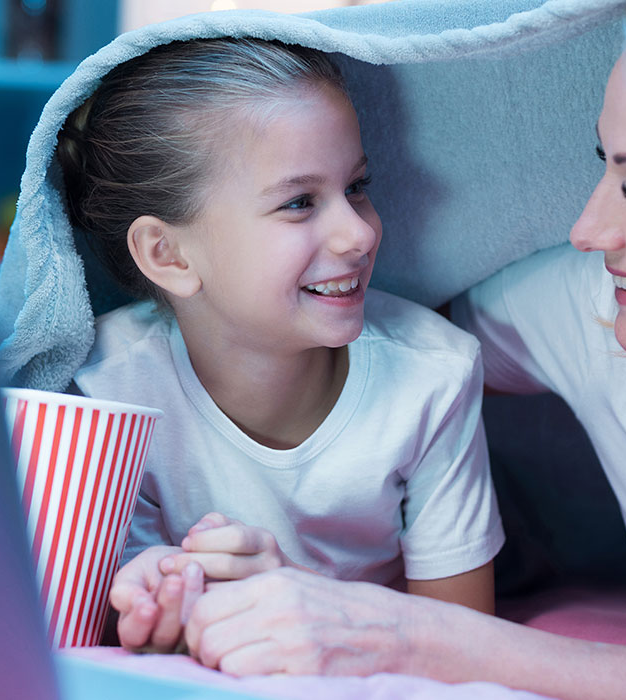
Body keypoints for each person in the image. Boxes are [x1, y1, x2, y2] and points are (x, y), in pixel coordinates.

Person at [176, 1, 626, 696]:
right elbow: (380, 366)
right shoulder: (597, 305)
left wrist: (408, 635)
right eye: (603, 167)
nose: (588, 230)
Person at [54, 38, 506, 653]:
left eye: (357, 187)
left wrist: (299, 601)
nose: (359, 233)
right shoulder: (106, 394)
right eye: (299, 202)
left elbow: (467, 640)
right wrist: (151, 604)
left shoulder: (434, 376)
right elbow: (105, 624)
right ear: (169, 254)